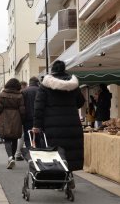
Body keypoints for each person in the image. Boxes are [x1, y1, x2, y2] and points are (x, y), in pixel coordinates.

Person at [33, 60, 85, 188]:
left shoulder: (45, 85)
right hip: (72, 124)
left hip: (52, 125)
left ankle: (59, 180)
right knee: (70, 152)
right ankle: (69, 176)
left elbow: (39, 107)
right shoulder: (73, 84)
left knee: (56, 152)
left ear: (52, 70)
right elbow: (80, 102)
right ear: (64, 69)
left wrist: (37, 126)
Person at [0, 78, 25, 169]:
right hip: (16, 117)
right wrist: (23, 120)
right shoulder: (20, 95)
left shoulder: (3, 94)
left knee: (7, 139)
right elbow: (22, 109)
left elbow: (0, 107)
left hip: (5, 117)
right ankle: (13, 158)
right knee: (15, 138)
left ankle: (10, 157)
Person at [21, 76, 40, 148]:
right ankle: (39, 153)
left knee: (28, 137)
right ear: (37, 82)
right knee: (39, 137)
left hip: (27, 118)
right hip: (39, 118)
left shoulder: (24, 91)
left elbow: (22, 106)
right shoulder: (40, 90)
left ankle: (30, 153)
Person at [15, 81, 28, 160]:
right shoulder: (22, 94)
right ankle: (18, 154)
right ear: (23, 86)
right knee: (22, 136)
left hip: (18, 118)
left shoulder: (18, 93)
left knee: (21, 136)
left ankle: (18, 153)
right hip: (23, 117)